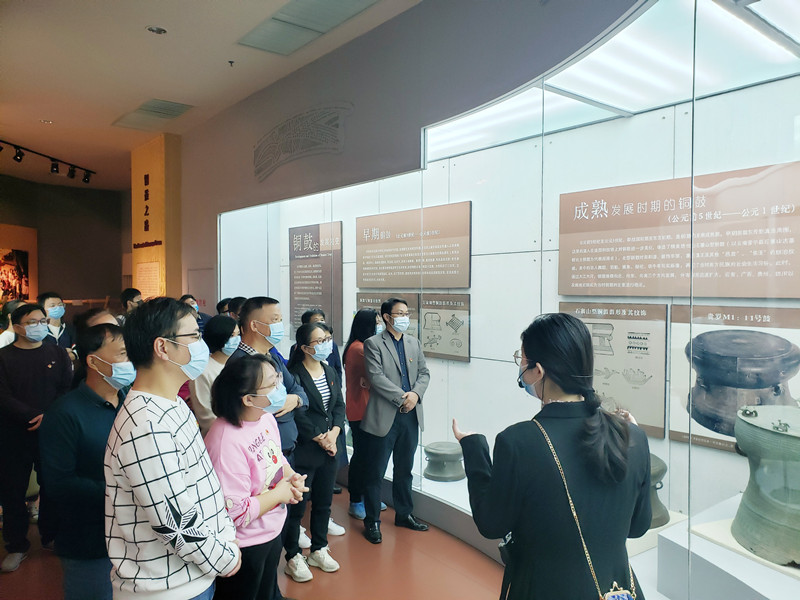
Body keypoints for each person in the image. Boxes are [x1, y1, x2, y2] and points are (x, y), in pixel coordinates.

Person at [452, 313, 651, 600]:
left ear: (538, 371)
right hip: (617, 589)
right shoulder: (633, 436)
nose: (520, 367)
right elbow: (638, 526)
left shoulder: (518, 441)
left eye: (522, 359)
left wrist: (474, 448)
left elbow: (491, 523)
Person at [104, 297, 241, 599]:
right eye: (194, 336)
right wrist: (225, 558)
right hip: (168, 588)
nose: (201, 345)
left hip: (191, 577)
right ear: (163, 347)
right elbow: (177, 524)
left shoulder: (172, 403)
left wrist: (225, 537)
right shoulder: (147, 426)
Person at [39, 323, 134, 600]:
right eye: (123, 354)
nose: (131, 361)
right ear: (93, 361)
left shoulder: (131, 403)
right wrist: (120, 491)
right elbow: (59, 483)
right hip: (89, 541)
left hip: (134, 536)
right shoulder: (65, 413)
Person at [205, 354, 308, 600]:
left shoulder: (265, 417)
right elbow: (236, 512)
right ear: (248, 398)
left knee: (267, 590)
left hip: (272, 528)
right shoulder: (225, 441)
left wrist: (291, 476)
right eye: (272, 384)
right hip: (246, 544)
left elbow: (275, 458)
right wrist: (279, 494)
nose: (280, 388)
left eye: (278, 379)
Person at [0, 304, 72, 572]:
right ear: (18, 325)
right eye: (33, 322)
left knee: (51, 485)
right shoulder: (4, 357)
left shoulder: (57, 353)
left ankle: (51, 535)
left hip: (51, 430)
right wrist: (32, 415)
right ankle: (16, 545)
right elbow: (3, 395)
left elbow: (65, 388)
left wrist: (48, 416)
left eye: (43, 321)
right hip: (13, 433)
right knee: (13, 490)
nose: (40, 326)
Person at [361, 297, 430, 544]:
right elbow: (376, 377)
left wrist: (416, 395)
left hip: (410, 416)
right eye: (400, 313)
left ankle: (404, 514)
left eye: (407, 313)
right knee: (375, 472)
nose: (405, 317)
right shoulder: (373, 343)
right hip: (385, 416)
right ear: (387, 317)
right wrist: (403, 397)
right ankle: (372, 521)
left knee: (404, 469)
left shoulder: (413, 342)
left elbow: (424, 373)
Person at [282, 323, 346, 583]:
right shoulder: (293, 374)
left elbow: (338, 405)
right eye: (320, 340)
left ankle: (319, 548)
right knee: (297, 508)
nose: (326, 344)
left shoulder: (329, 370)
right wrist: (320, 437)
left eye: (328, 338)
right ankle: (293, 556)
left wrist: (334, 434)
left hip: (330, 447)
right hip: (306, 448)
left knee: (323, 503)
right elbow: (298, 413)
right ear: (305, 347)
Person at [229, 297, 307, 458]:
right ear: (254, 325)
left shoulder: (272, 356)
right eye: (274, 320)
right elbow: (249, 412)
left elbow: (298, 390)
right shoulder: (240, 363)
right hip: (262, 455)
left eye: (280, 320)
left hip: (285, 451)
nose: (280, 325)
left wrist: (295, 400)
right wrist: (286, 403)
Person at [342, 308, 383, 520]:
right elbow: (381, 375)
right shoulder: (359, 349)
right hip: (361, 410)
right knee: (362, 458)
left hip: (366, 409)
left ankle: (368, 497)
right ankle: (356, 500)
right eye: (377, 322)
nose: (380, 326)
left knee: (369, 456)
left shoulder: (360, 346)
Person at [189, 315, 240, 436]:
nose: (237, 339)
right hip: (219, 435)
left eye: (238, 334)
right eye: (231, 336)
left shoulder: (238, 363)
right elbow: (206, 416)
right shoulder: (203, 371)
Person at [38, 291, 76, 361]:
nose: (58, 308)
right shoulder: (37, 331)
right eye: (52, 306)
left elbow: (77, 350)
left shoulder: (70, 328)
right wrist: (64, 353)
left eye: (60, 305)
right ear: (42, 309)